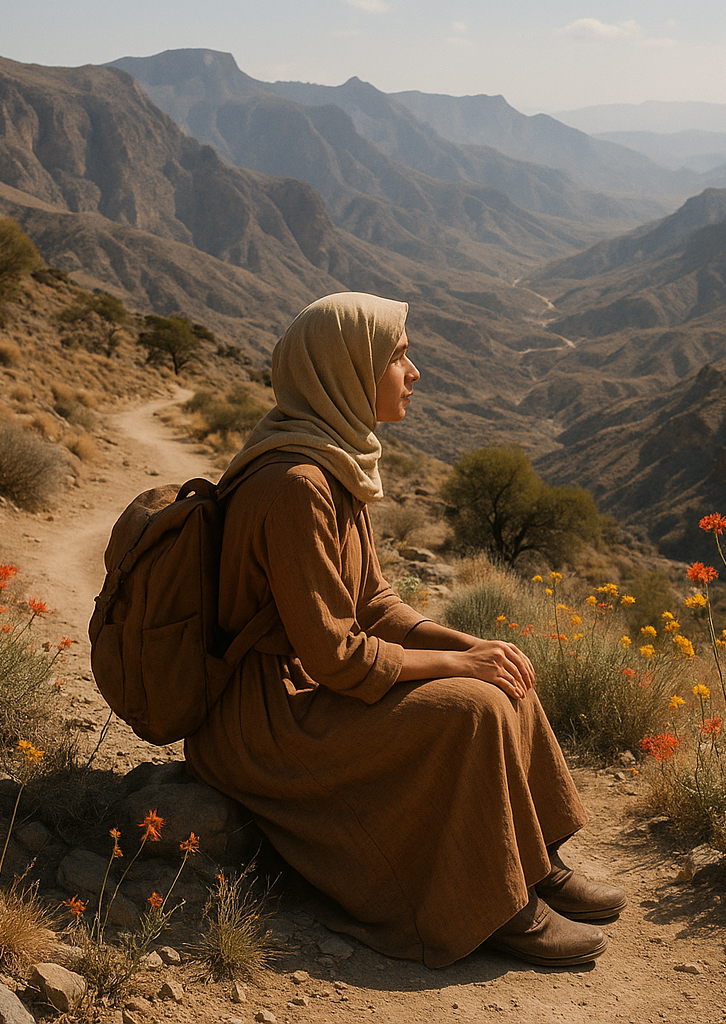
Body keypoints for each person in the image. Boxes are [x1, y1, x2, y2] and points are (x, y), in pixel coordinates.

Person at [185, 292, 626, 968]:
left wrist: (472, 647)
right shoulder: (295, 484)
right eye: (396, 357)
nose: (413, 372)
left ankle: (535, 864)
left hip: (303, 692)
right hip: (268, 719)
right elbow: (336, 657)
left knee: (506, 671)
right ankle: (495, 904)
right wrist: (459, 668)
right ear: (345, 370)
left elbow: (376, 605)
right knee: (473, 706)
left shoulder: (329, 461)